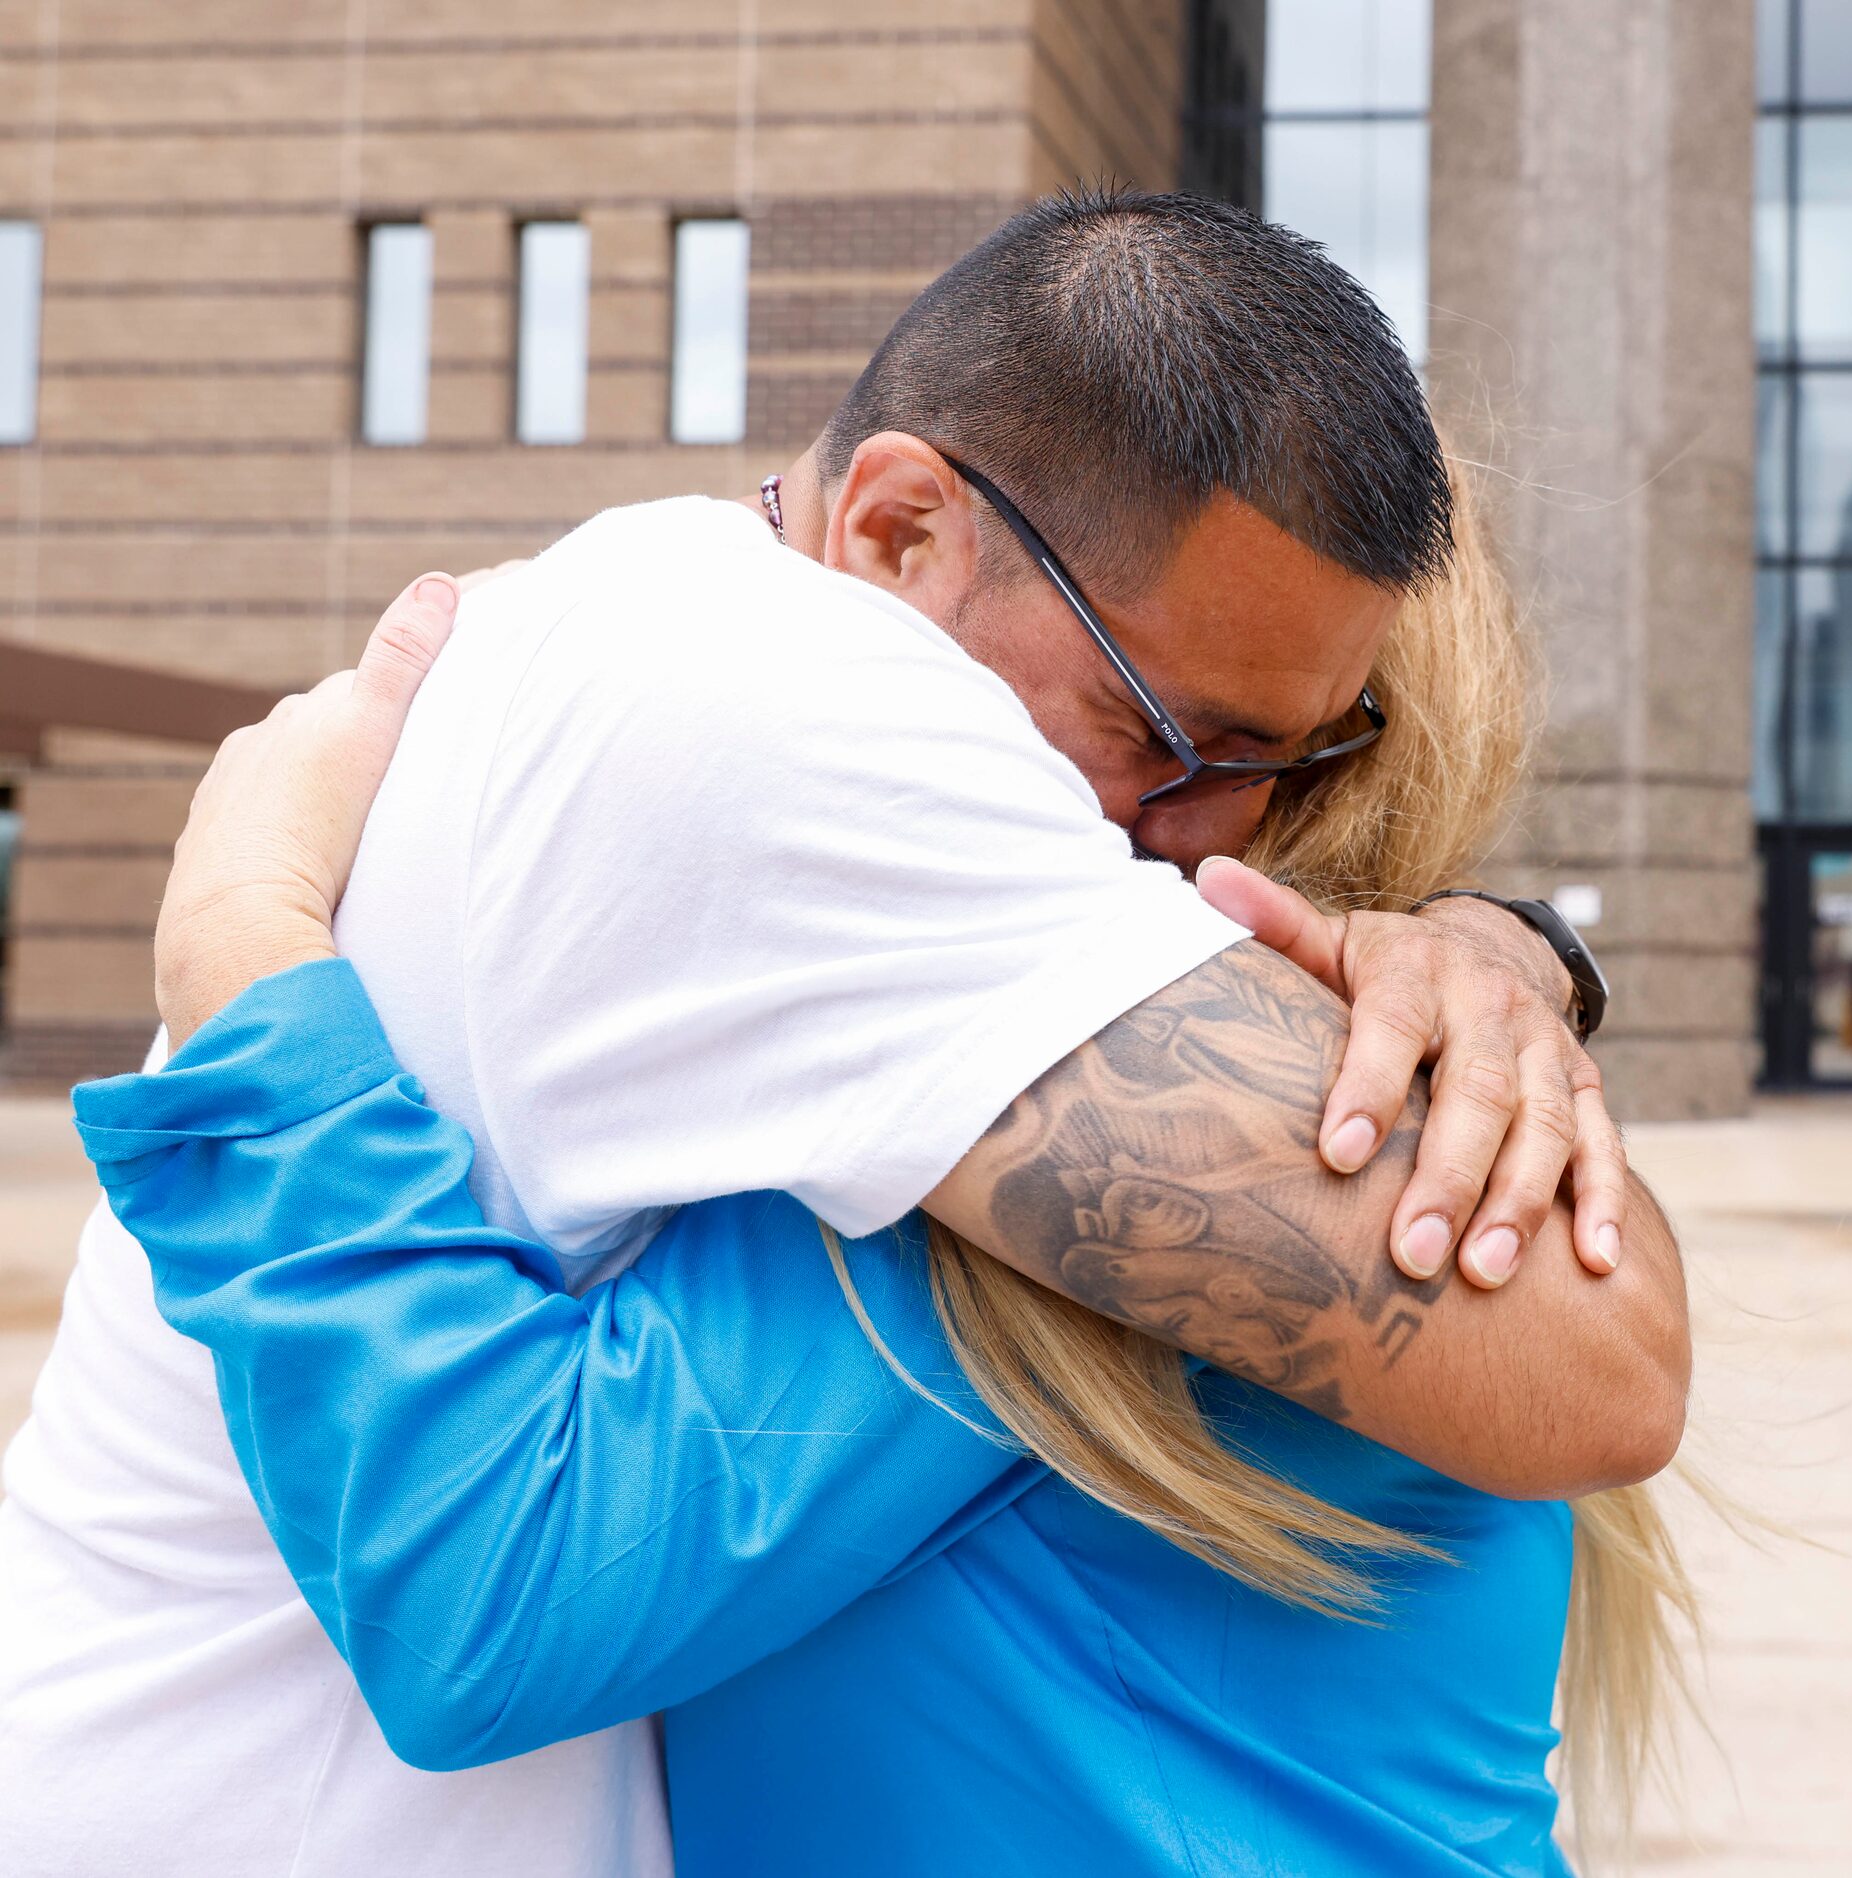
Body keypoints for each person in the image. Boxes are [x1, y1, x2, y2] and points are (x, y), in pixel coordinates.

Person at [0, 190, 1689, 1878]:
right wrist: (244, 975)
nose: (1207, 830)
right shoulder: (801, 734)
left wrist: (1498, 948)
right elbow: (492, 1586)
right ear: (893, 531)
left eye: (1297, 760)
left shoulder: (670, 638)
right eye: (1170, 736)